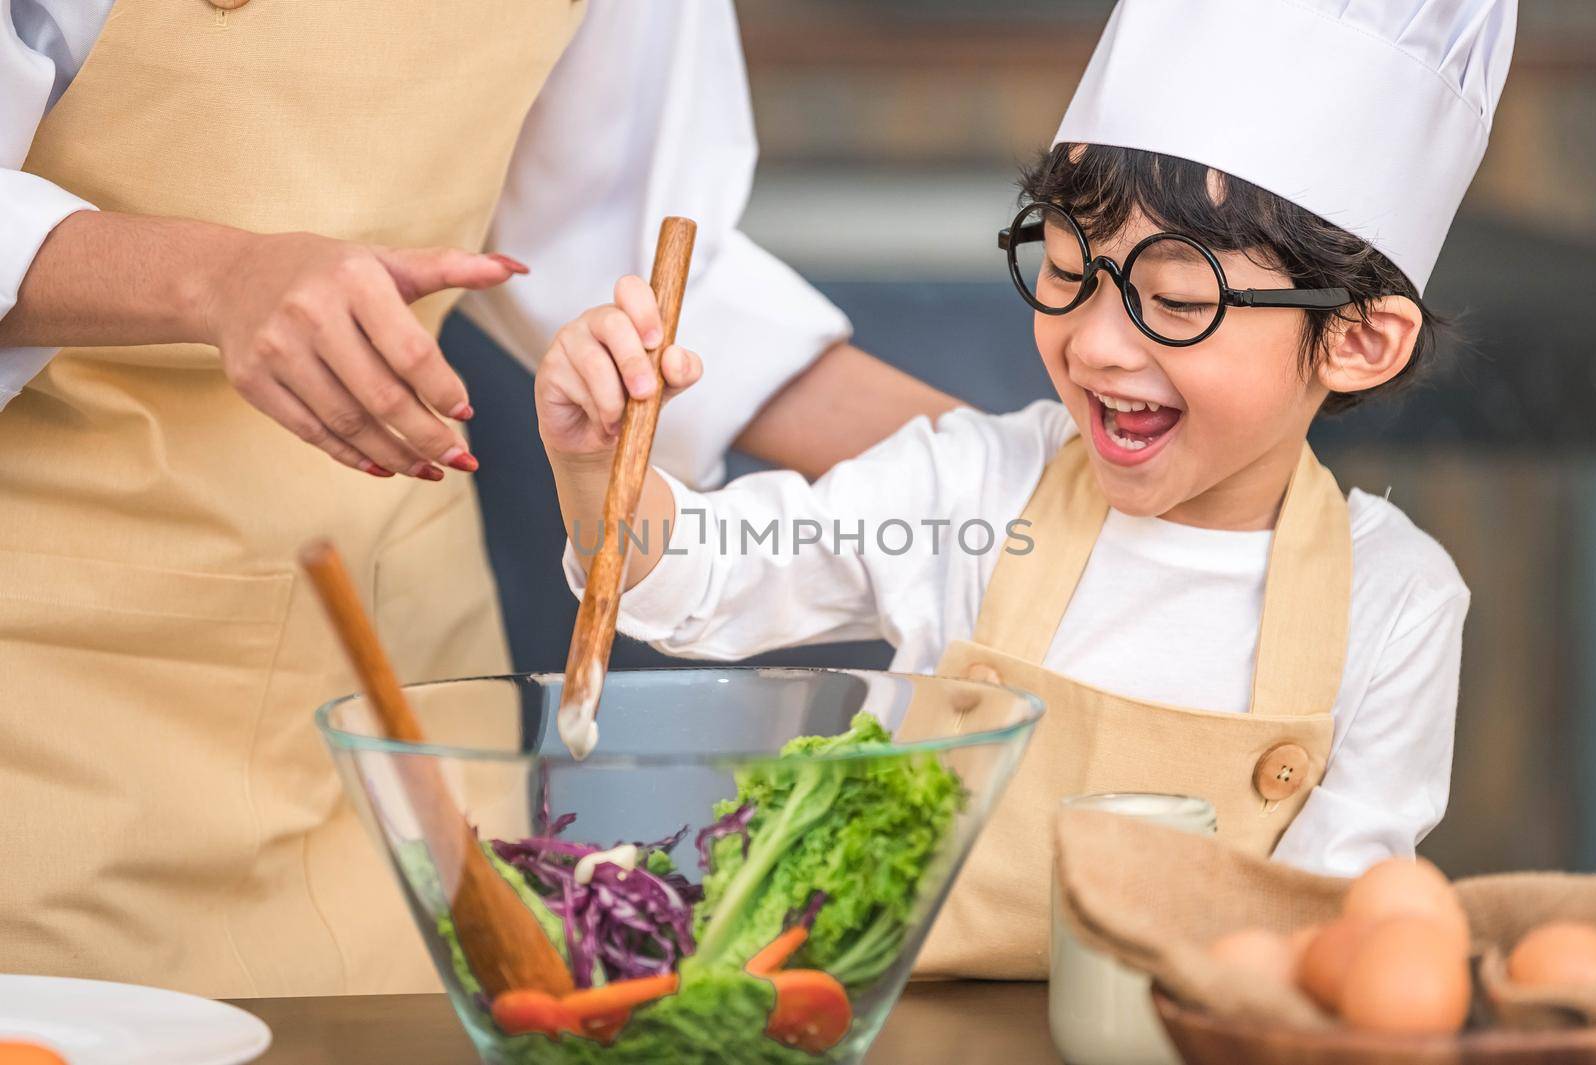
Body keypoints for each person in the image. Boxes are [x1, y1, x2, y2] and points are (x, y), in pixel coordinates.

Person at [539, 0, 1514, 981]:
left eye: (1176, 301)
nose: (1092, 343)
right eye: (1064, 269)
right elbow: (706, 577)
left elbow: (1337, 927)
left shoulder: (1393, 600)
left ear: (1356, 341)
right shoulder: (974, 485)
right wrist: (595, 461)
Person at [0, 1, 954, 998]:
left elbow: (633, 275)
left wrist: (1049, 476)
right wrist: (214, 277)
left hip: (404, 694)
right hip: (58, 691)